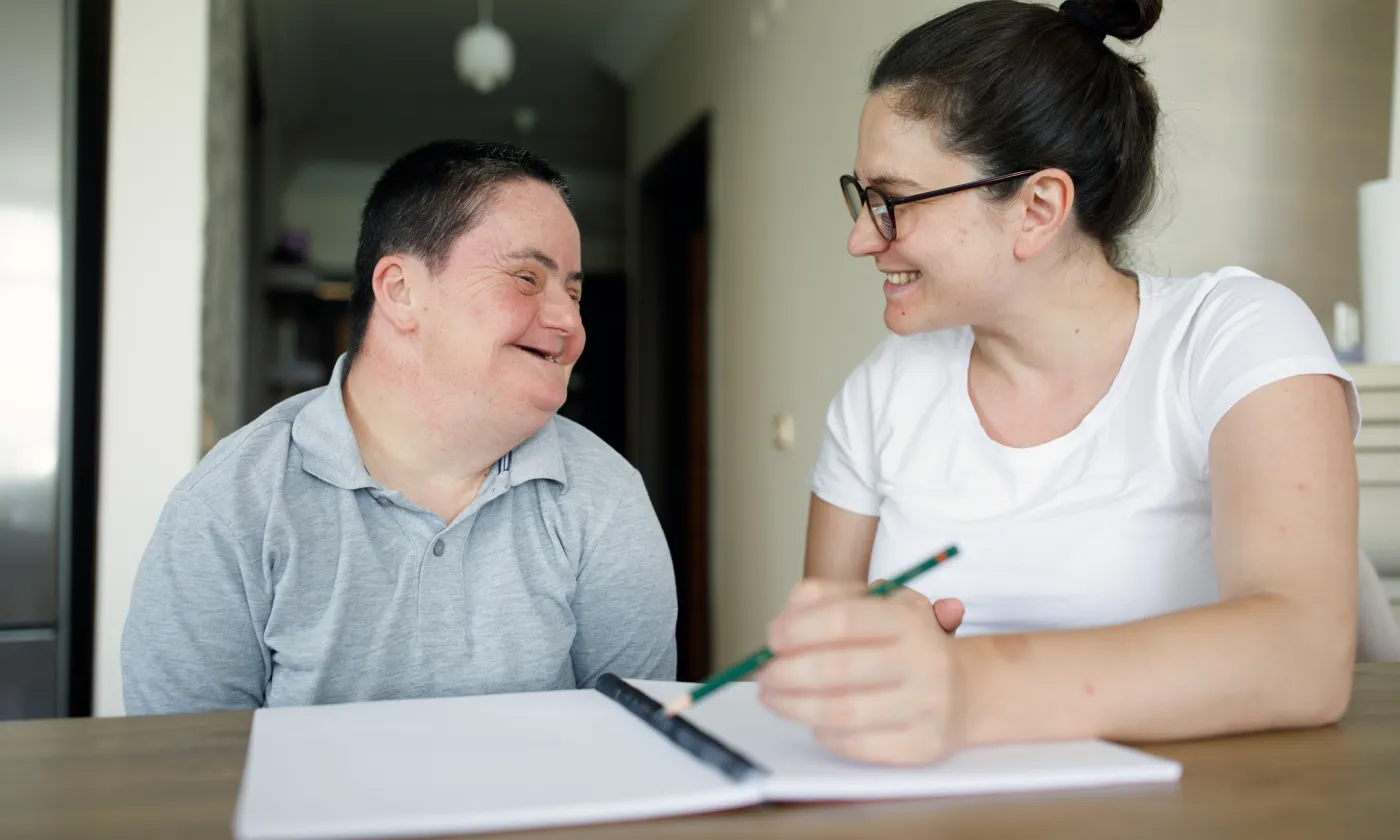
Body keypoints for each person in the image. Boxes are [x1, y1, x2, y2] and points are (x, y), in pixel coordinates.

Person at [755, 0, 1362, 765]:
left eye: (892, 203)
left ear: (1038, 208)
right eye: (862, 197)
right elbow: (832, 672)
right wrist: (865, 663)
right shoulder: (881, 394)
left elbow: (1302, 656)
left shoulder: (1236, 337)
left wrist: (963, 686)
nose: (859, 238)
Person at [122, 140, 678, 714]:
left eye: (573, 291)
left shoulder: (606, 496)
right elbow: (185, 778)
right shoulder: (229, 509)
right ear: (400, 290)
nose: (569, 321)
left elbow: (640, 752)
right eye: (527, 278)